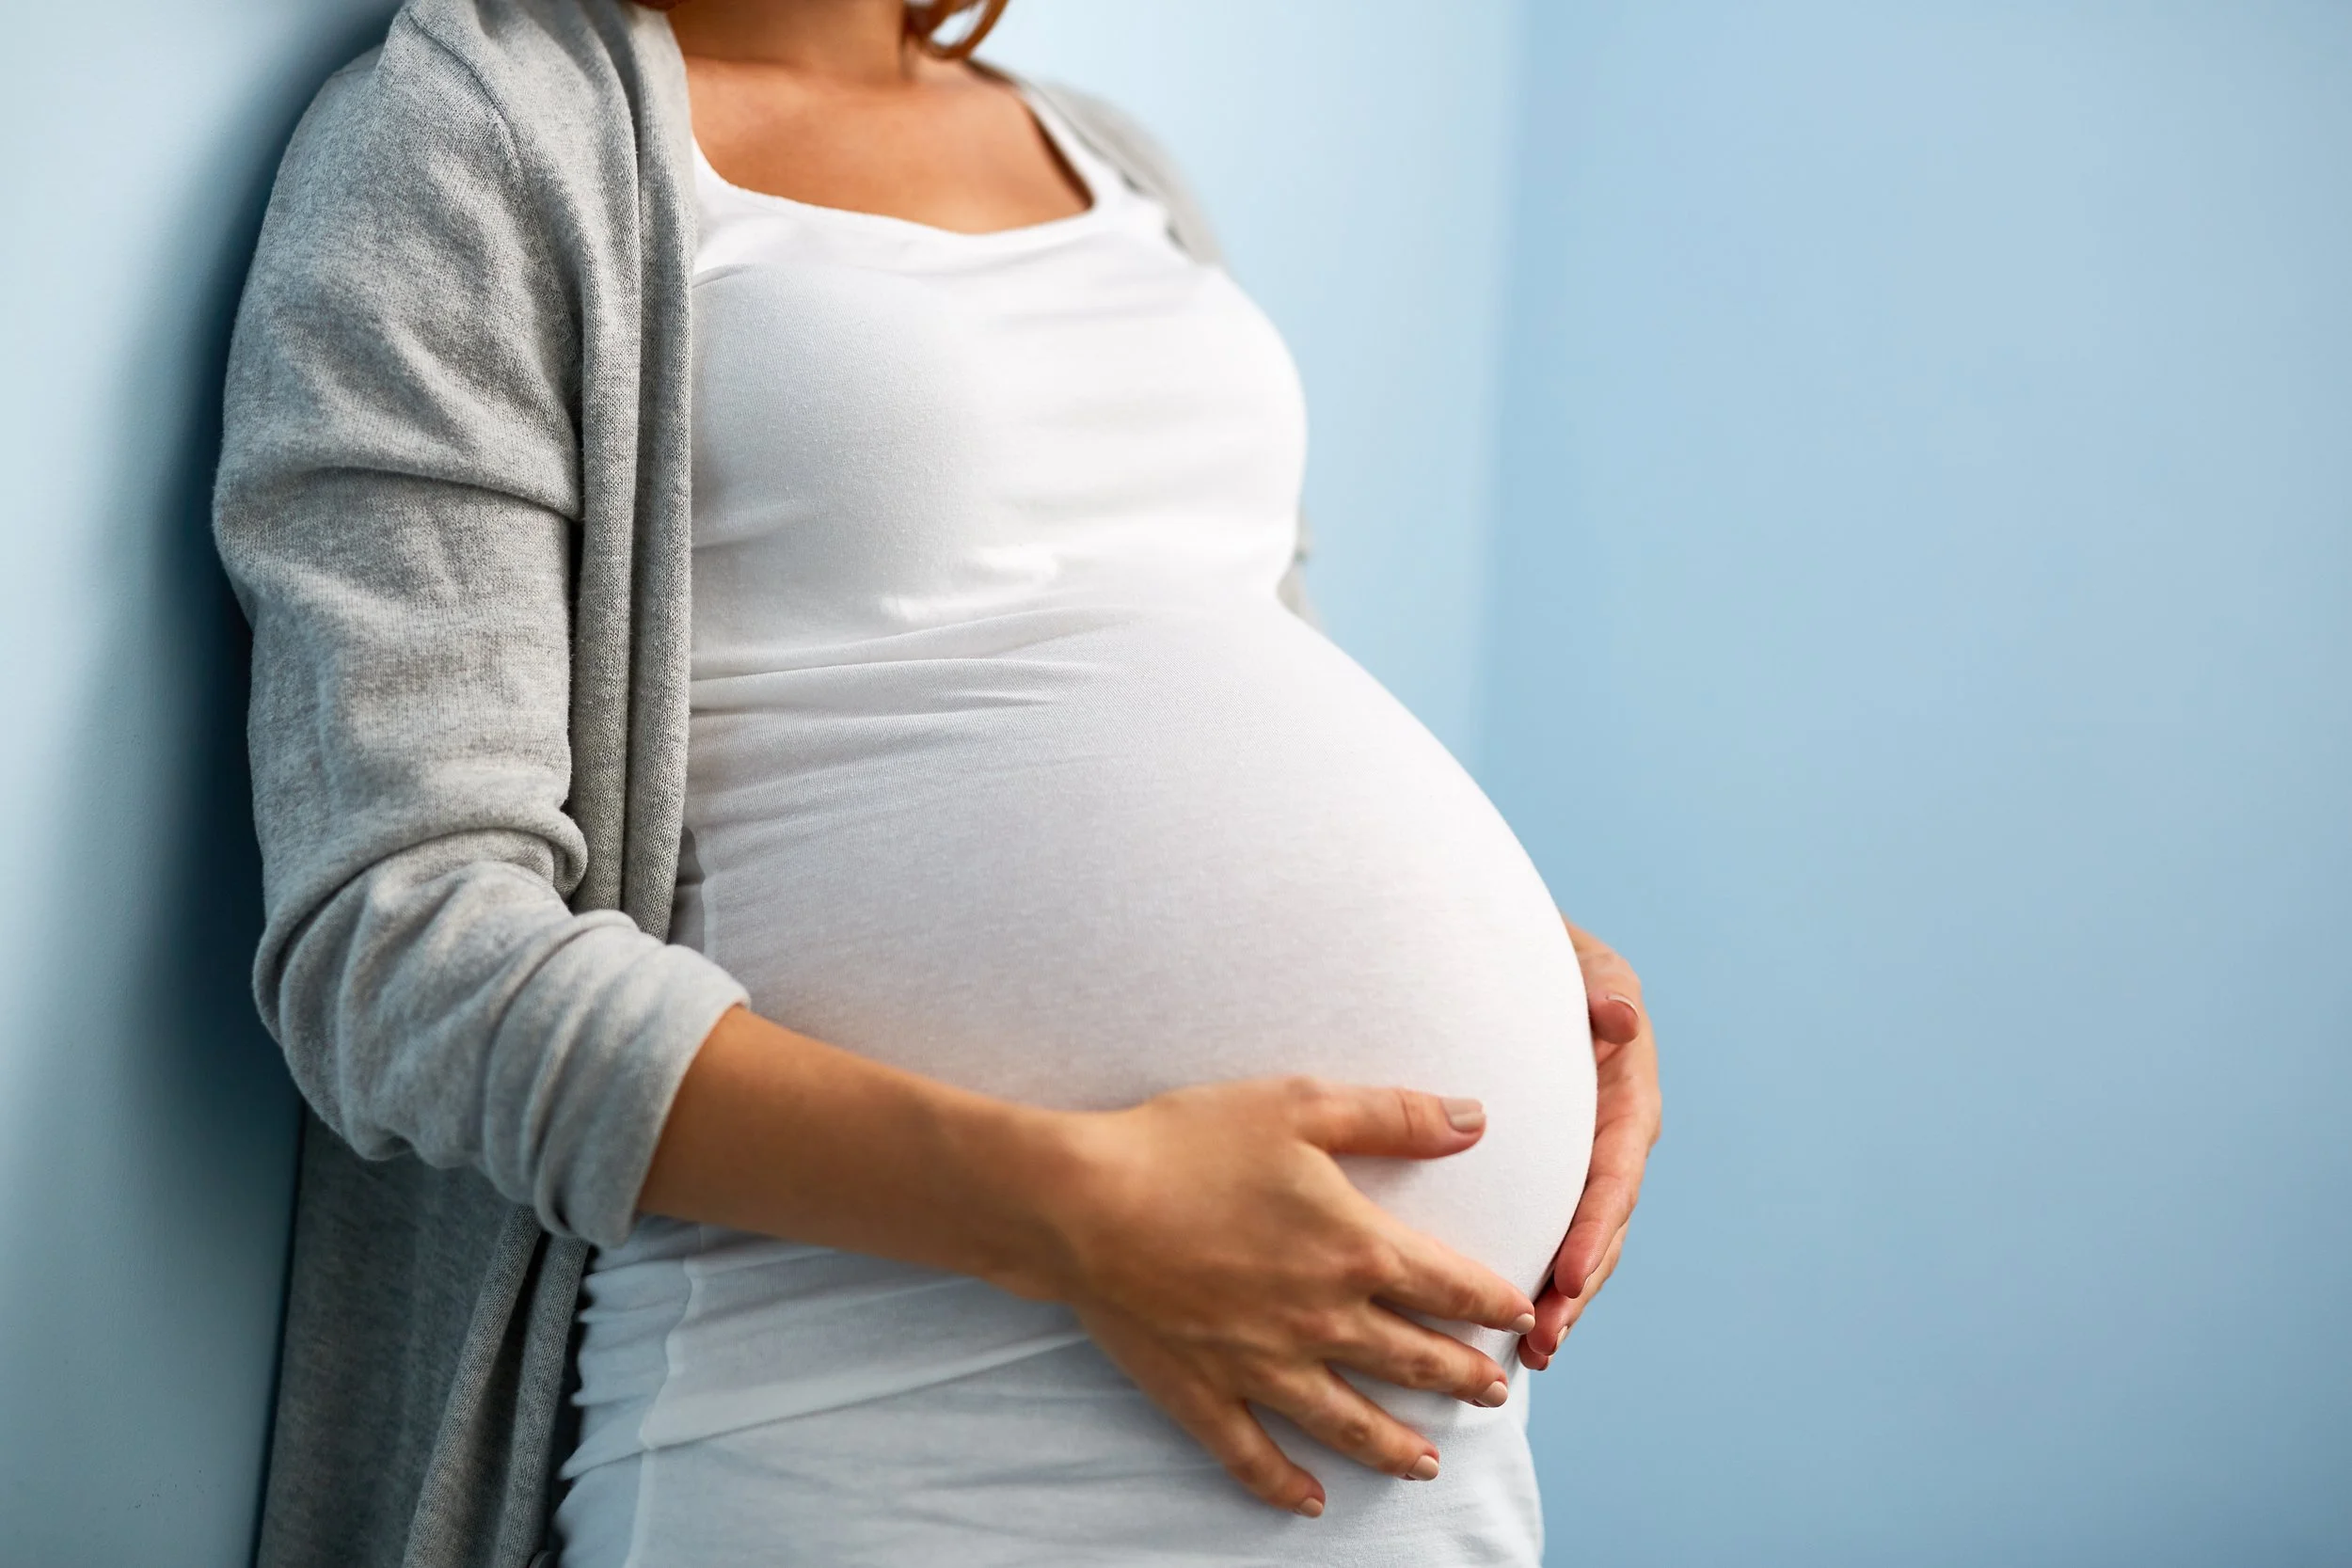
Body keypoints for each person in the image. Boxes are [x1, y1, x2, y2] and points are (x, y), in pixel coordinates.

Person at [215, 1, 1663, 1563]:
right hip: (872, 1421)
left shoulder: (1118, 165)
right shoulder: (475, 137)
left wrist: (1523, 972)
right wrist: (1076, 1208)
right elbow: (399, 948)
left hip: (1394, 1449)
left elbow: (1207, 674)